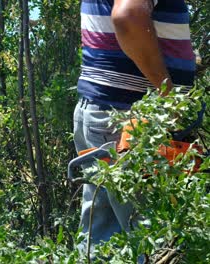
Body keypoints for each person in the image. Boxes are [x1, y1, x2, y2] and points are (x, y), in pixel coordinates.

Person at [74, 0, 195, 256]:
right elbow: (128, 17)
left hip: (104, 114)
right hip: (130, 123)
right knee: (156, 244)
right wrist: (169, 96)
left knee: (103, 242)